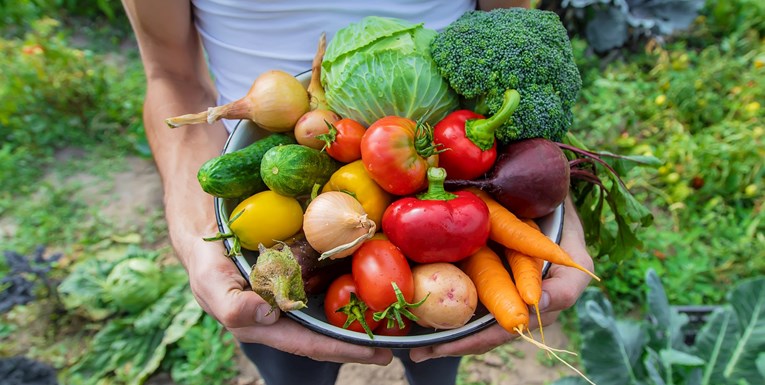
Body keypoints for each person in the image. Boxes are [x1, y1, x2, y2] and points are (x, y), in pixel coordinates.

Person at [120, 1, 595, 384]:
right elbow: (170, 75)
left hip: (459, 149)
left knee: (440, 352)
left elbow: (512, 56)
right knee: (291, 371)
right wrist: (191, 232)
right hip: (276, 134)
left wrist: (548, 187)